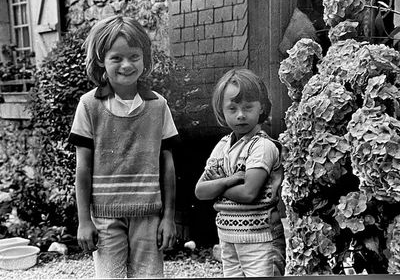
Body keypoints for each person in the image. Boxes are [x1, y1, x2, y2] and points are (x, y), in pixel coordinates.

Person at [68, 15, 179, 278]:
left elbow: (168, 166)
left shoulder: (158, 105)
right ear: (101, 61)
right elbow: (82, 169)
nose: (127, 65)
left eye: (134, 56)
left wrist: (169, 217)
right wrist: (84, 221)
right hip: (105, 217)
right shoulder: (89, 105)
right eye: (116, 58)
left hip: (148, 215)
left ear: (145, 58)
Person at [195, 68, 286, 277]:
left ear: (261, 107)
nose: (241, 114)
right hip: (228, 237)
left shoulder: (262, 146)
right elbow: (200, 191)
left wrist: (218, 183)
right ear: (222, 110)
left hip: (260, 238)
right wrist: (229, 181)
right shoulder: (222, 146)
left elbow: (248, 194)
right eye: (233, 108)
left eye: (248, 107)